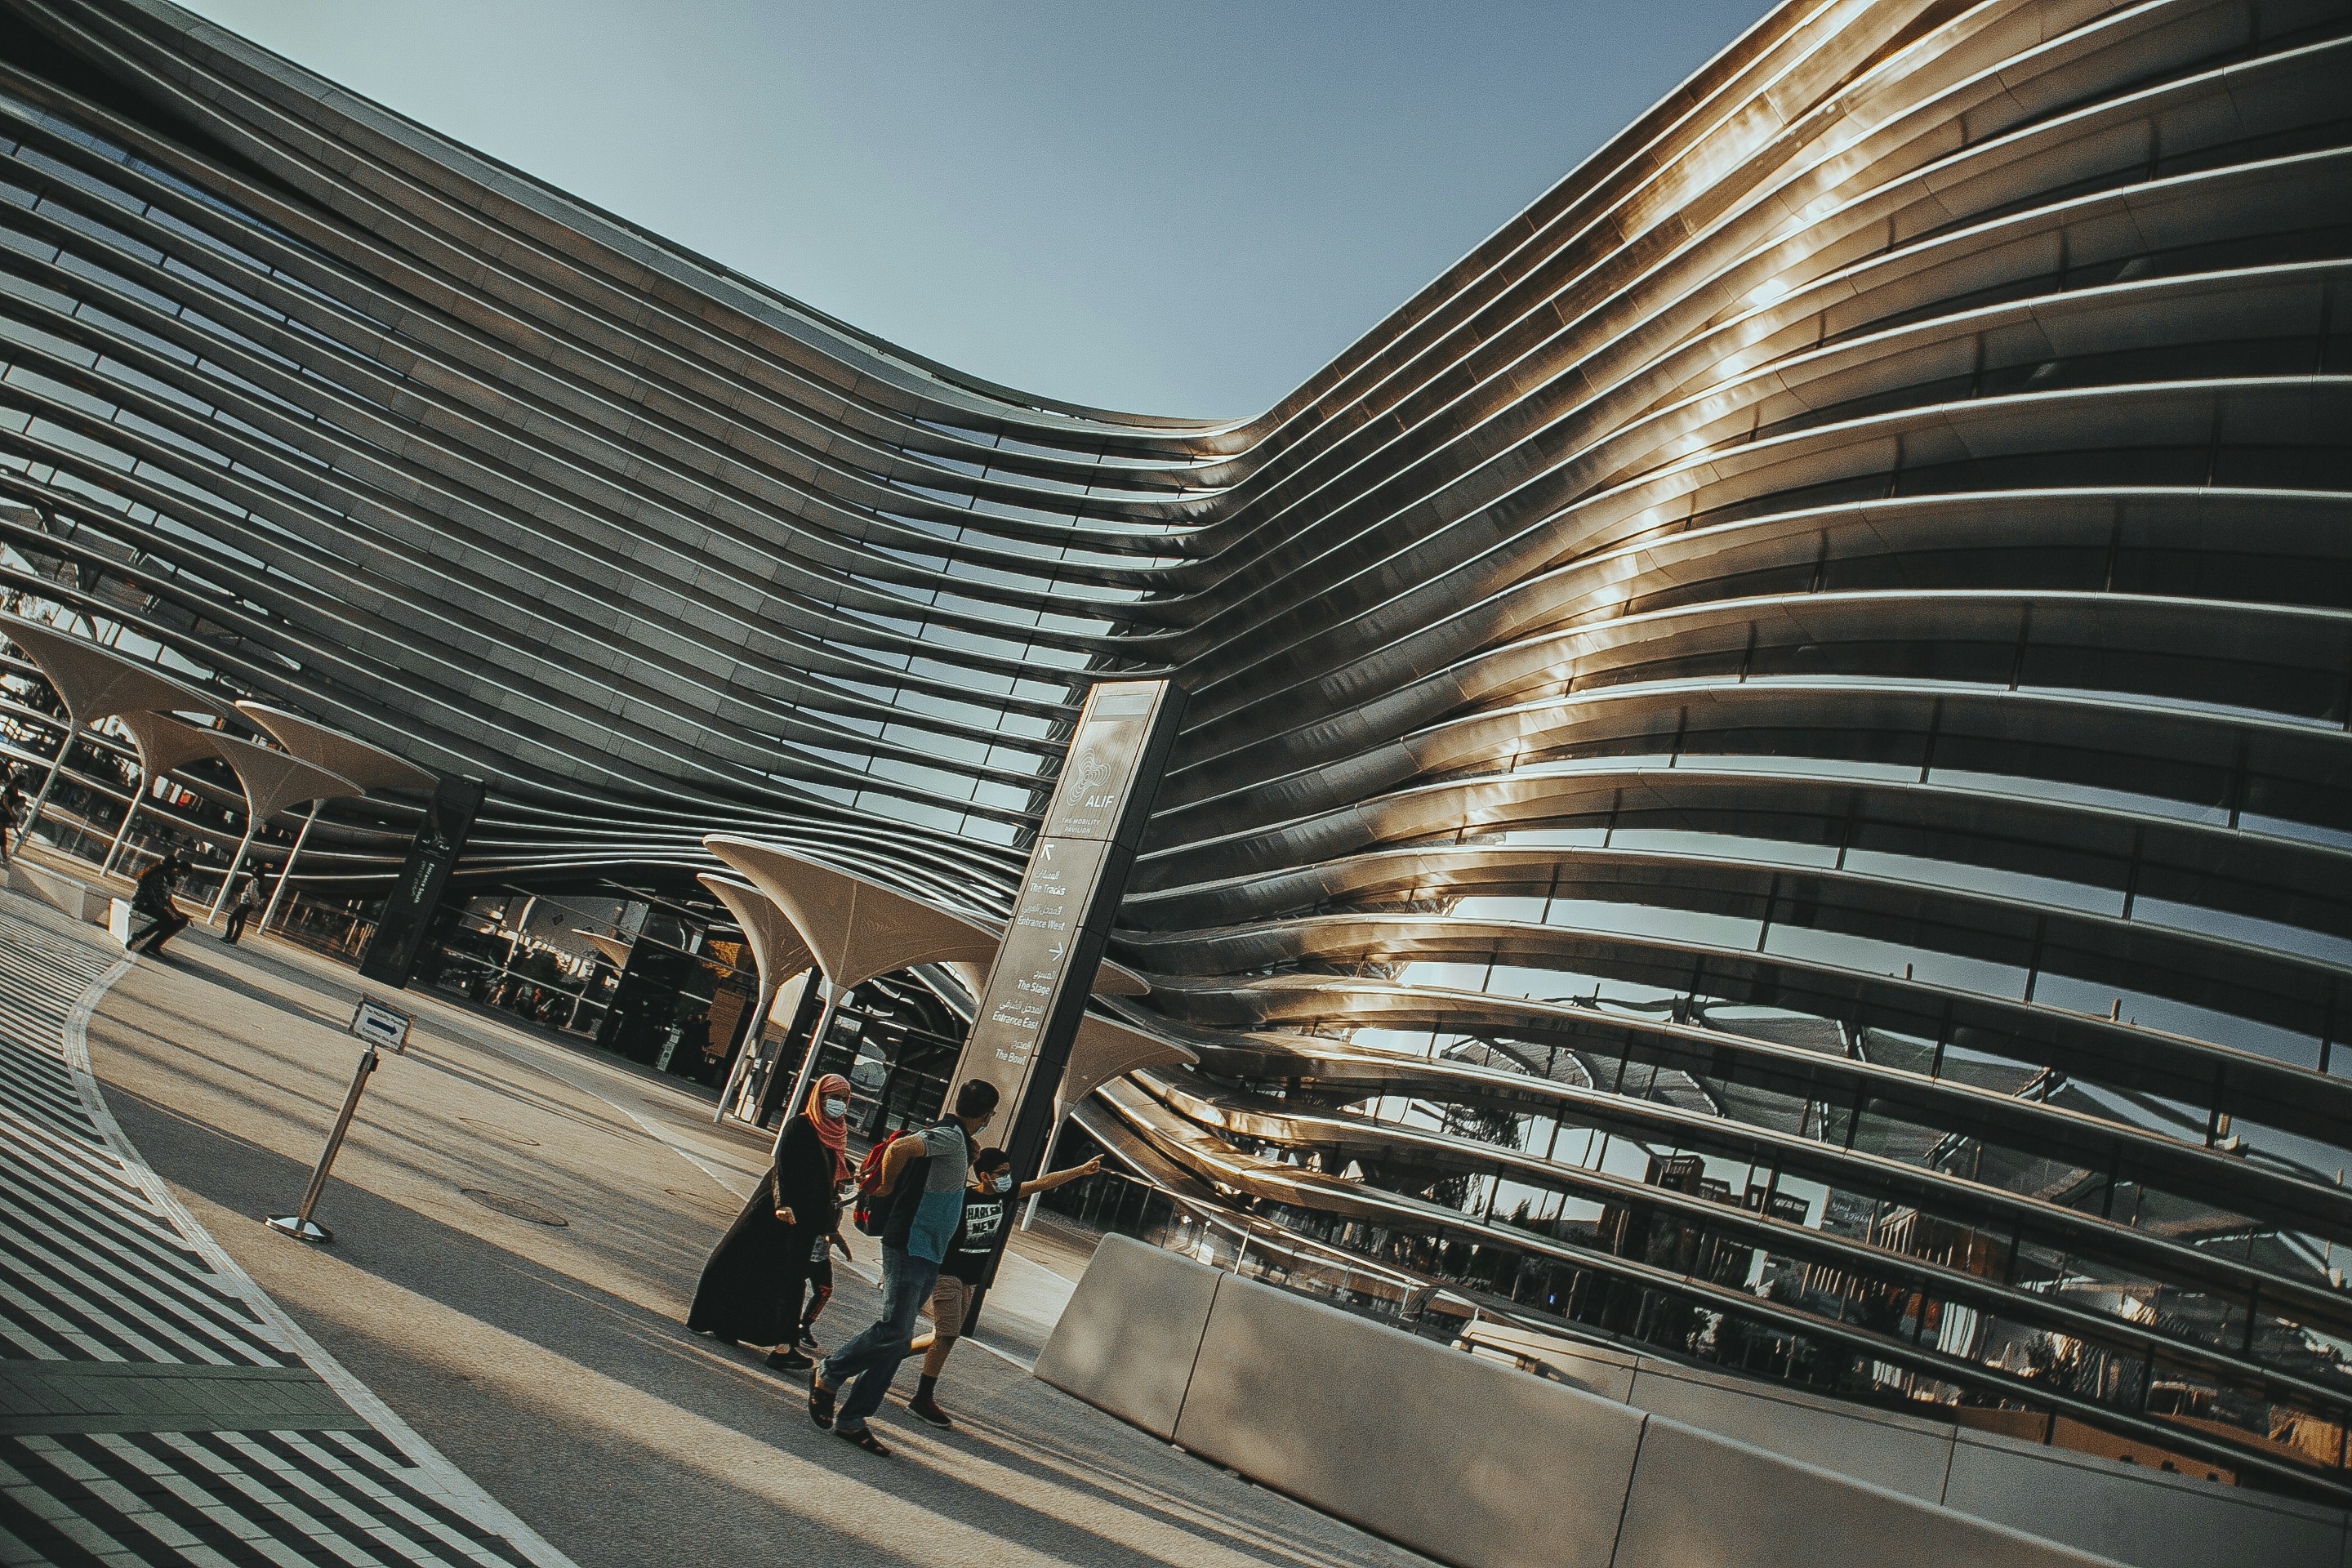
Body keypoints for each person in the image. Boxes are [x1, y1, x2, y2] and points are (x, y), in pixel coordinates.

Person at [808, 1077, 999, 1454]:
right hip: (911, 1245)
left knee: (896, 1339)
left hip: (929, 1249)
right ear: (988, 1114)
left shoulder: (959, 1140)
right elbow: (899, 1148)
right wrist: (886, 1186)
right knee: (894, 1330)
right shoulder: (947, 1136)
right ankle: (829, 1373)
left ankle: (853, 1418)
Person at [904, 1147, 1102, 1429]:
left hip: (970, 1278)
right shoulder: (963, 1198)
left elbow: (1042, 1183)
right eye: (1001, 1174)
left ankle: (889, 1353)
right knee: (947, 1336)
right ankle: (922, 1398)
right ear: (984, 1176)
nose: (1007, 1178)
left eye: (1008, 1173)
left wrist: (1080, 1171)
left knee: (943, 1335)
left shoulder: (1004, 1195)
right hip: (947, 1273)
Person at [687, 1071, 853, 1358]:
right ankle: (769, 1341)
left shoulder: (836, 1135)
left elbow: (827, 1184)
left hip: (806, 1220)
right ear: (819, 1097)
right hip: (775, 1211)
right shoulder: (801, 1125)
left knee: (781, 1278)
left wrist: (829, 1227)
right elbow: (784, 1168)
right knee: (743, 1260)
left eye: (843, 1099)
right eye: (832, 1097)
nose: (838, 1104)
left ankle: (767, 1339)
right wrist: (784, 1204)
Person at [125, 850, 190, 956]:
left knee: (166, 919)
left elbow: (160, 898)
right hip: (143, 905)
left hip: (142, 904)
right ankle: (145, 941)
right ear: (171, 869)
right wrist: (175, 914)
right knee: (167, 921)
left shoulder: (154, 872)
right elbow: (159, 898)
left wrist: (174, 913)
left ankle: (142, 939)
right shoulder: (158, 876)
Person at [221, 865, 270, 945]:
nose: (254, 870)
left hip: (247, 904)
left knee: (239, 921)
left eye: (256, 869)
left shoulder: (256, 881)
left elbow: (253, 894)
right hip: (244, 903)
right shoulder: (254, 880)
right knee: (232, 919)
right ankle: (228, 937)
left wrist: (255, 905)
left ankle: (233, 940)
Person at [0, 764, 25, 862]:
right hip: (2, 813)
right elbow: (4, 801)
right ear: (18, 782)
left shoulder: (15, 791)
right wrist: (11, 812)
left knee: (2, 839)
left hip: (6, 815)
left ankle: (5, 859)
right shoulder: (9, 789)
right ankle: (5, 858)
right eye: (23, 782)